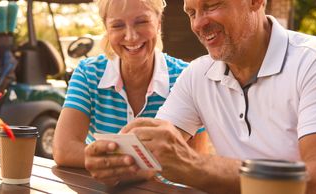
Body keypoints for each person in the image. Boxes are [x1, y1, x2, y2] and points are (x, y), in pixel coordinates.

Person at [84, 0, 316, 193]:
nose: (198, 24)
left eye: (212, 6)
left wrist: (195, 166)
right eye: (192, 12)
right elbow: (151, 155)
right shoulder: (198, 73)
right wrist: (116, 164)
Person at [53, 0, 210, 184]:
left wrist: (109, 159)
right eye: (118, 25)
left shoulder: (185, 77)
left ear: (158, 21)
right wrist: (135, 162)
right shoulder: (88, 73)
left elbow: (196, 162)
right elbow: (63, 150)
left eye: (141, 22)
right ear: (107, 29)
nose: (131, 36)